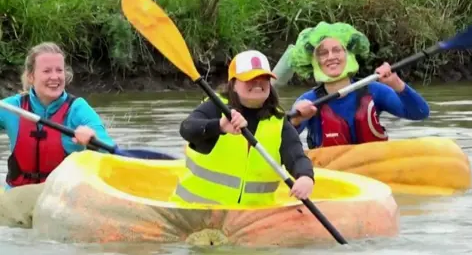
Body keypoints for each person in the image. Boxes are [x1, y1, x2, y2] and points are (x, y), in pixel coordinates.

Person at [173, 50, 315, 206]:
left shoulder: (278, 122)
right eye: (250, 78)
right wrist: (218, 126)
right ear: (233, 85)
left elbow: (296, 156)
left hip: (250, 219)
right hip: (194, 212)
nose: (258, 83)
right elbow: (187, 128)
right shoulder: (215, 107)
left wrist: (305, 177)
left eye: (264, 78)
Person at [288, 22, 430, 149]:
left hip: (374, 169)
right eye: (323, 53)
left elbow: (420, 113)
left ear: (348, 54)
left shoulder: (374, 90)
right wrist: (295, 120)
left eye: (337, 50)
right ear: (314, 61)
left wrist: (396, 84)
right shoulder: (308, 101)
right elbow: (282, 143)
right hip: (333, 171)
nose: (331, 57)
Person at [0, 42, 115, 190]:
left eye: (59, 70)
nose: (55, 77)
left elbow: (110, 152)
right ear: (31, 76)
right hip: (17, 195)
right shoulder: (11, 107)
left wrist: (93, 141)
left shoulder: (78, 109)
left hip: (61, 198)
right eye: (47, 71)